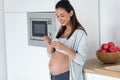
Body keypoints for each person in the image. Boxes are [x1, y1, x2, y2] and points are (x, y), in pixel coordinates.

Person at [43, 0, 88, 80]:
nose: (59, 19)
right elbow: (51, 55)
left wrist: (64, 48)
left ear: (71, 13)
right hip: (53, 76)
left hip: (66, 76)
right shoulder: (59, 31)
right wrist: (50, 43)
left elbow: (81, 60)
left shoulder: (80, 34)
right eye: (57, 16)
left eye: (62, 15)